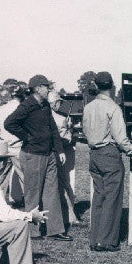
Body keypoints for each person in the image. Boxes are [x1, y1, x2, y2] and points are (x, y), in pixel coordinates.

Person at [4, 74, 71, 242]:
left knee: (52, 192)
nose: (49, 89)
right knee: (33, 193)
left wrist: (60, 150)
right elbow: (9, 123)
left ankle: (55, 230)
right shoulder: (27, 105)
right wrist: (26, 137)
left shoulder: (45, 106)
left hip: (49, 155)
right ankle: (32, 232)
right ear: (38, 88)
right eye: (46, 86)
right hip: (33, 155)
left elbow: (53, 129)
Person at [81, 72, 132, 252]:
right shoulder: (113, 108)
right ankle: (106, 241)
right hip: (109, 154)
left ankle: (95, 239)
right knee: (112, 199)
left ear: (97, 86)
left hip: (94, 155)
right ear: (112, 86)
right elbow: (121, 139)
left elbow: (85, 131)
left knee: (99, 196)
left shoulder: (88, 107)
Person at [48, 89, 79, 228]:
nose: (60, 105)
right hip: (60, 154)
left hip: (46, 154)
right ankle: (70, 217)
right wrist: (71, 131)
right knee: (64, 184)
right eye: (59, 102)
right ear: (55, 103)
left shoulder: (40, 116)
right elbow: (67, 139)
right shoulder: (61, 119)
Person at [0, 85, 25, 204]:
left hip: (3, 148)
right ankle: (30, 207)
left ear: (10, 95)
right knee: (25, 178)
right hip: (20, 148)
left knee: (0, 179)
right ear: (22, 95)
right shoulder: (24, 109)